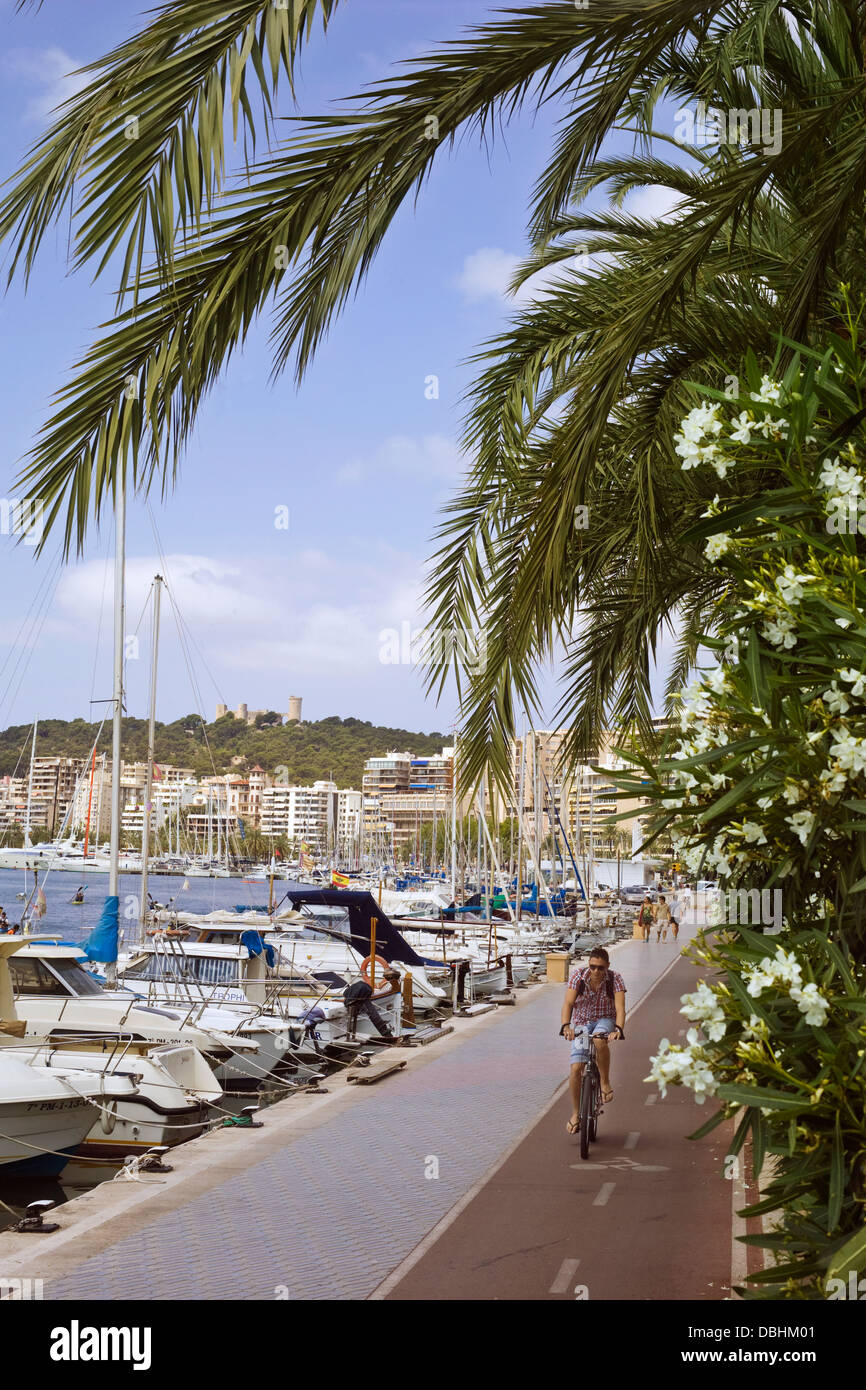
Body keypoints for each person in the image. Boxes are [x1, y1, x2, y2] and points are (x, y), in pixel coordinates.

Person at [562, 947, 626, 1128]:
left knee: (599, 1039)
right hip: (582, 1023)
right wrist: (566, 1025)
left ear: (607, 967)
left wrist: (619, 1029)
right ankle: (576, 1114)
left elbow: (620, 1008)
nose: (596, 971)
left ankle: (605, 1082)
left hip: (605, 1019)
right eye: (592, 966)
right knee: (576, 1068)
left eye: (600, 968)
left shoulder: (615, 978)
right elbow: (568, 1003)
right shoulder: (577, 976)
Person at [343, 968, 401, 1040]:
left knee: (368, 1007)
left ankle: (386, 1033)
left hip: (360, 996)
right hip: (362, 996)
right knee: (368, 1007)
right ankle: (386, 1034)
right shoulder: (365, 992)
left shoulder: (362, 992)